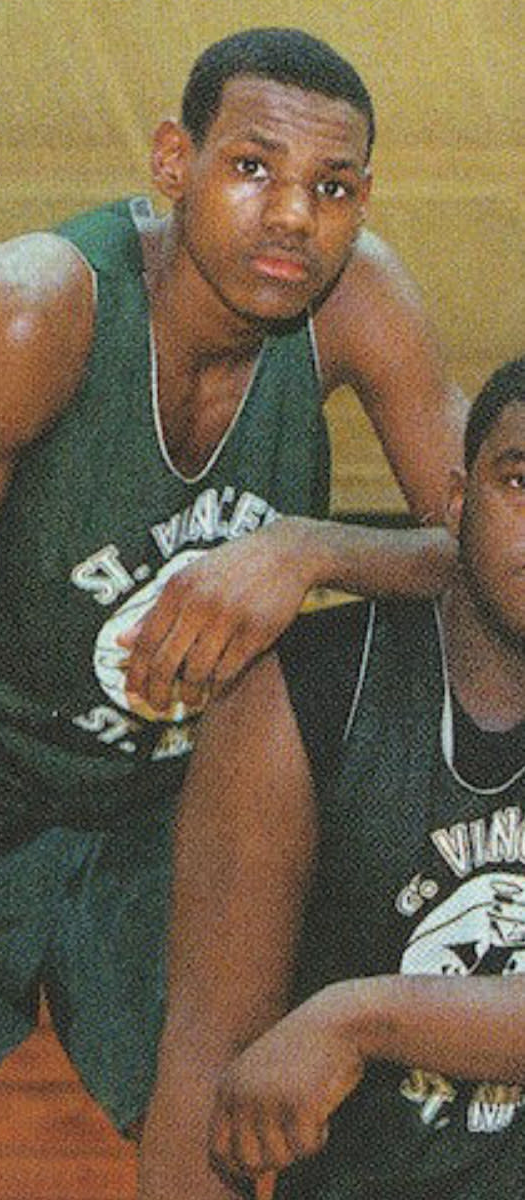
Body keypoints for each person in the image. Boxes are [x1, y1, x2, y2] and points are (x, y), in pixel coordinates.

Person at [0, 26, 466, 1196]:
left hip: (170, 811)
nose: (294, 215)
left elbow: (491, 557)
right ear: (174, 162)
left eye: (330, 188)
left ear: (362, 200)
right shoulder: (28, 312)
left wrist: (305, 549)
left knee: (226, 1146)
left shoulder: (359, 303)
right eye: (253, 169)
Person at [139, 357, 525, 1200]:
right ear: (456, 503)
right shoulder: (303, 694)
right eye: (521, 481)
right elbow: (206, 1062)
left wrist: (359, 1018)